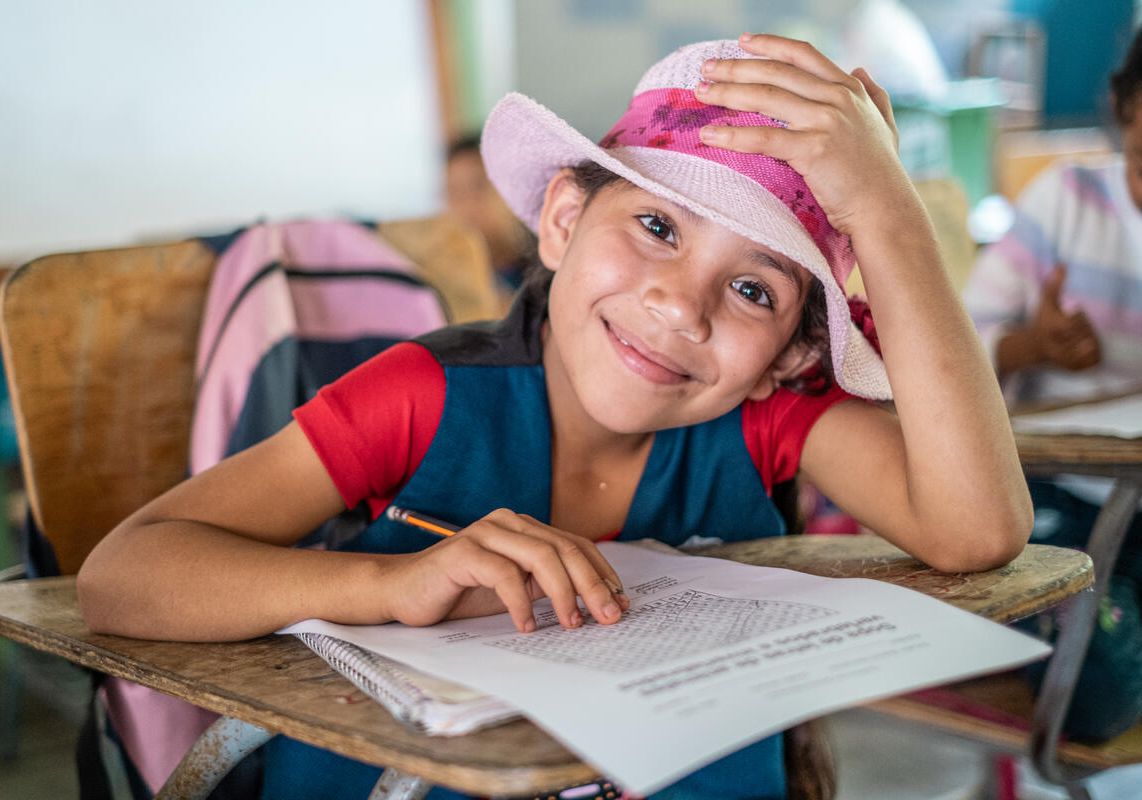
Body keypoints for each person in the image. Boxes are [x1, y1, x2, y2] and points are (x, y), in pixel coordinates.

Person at [77, 35, 1032, 799]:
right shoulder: (424, 396)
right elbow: (122, 578)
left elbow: (977, 529)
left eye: (751, 289)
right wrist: (392, 585)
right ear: (565, 222)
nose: (680, 308)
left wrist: (889, 215)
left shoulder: (762, 418)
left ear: (787, 357)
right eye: (656, 227)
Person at [962, 25, 1142, 742]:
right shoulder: (1064, 202)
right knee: (1096, 693)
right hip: (1052, 491)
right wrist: (1029, 344)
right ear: (1120, 112)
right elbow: (954, 351)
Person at [445, 133, 533, 307]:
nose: (466, 206)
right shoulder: (448, 282)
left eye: (478, 187)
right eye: (454, 192)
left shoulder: (546, 273)